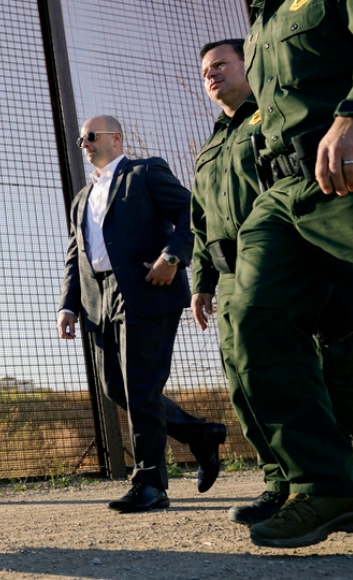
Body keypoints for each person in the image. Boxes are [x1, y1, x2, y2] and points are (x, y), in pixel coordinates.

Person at [190, 39, 353, 527]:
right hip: (240, 268)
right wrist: (201, 279)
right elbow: (199, 221)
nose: (211, 75)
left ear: (252, 67)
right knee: (250, 380)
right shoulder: (209, 147)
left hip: (309, 251)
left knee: (348, 382)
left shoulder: (269, 123)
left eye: (221, 64)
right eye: (204, 70)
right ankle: (286, 482)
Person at [58, 115, 227, 513]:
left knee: (140, 387)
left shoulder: (146, 171)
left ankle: (150, 483)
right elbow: (74, 254)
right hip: (97, 298)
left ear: (115, 139)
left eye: (91, 136)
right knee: (116, 388)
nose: (84, 143)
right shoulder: (81, 198)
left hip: (148, 288)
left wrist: (172, 256)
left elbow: (191, 211)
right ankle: (201, 434)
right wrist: (68, 304)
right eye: (81, 138)